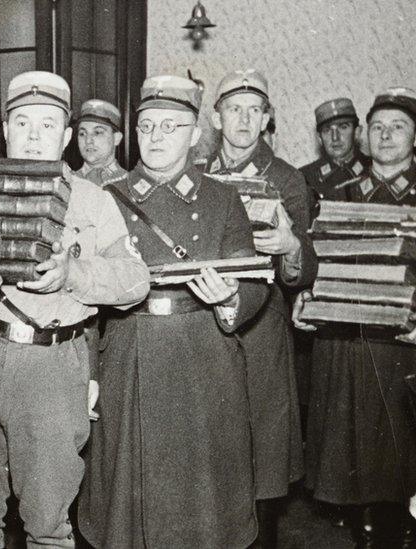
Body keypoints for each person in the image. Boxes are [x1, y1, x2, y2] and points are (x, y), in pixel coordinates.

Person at [79, 74, 268, 549]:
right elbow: (83, 297)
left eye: (171, 126)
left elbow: (253, 279)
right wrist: (87, 372)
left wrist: (229, 298)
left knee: (201, 500)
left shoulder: (223, 199)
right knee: (127, 500)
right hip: (127, 351)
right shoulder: (106, 199)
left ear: (195, 134)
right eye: (147, 126)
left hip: (203, 354)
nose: (157, 137)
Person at [0, 70, 149, 548]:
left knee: (47, 523)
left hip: (51, 368)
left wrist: (75, 275)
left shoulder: (92, 200)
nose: (34, 137)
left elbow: (136, 280)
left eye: (48, 125)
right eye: (23, 123)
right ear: (5, 128)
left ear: (67, 136)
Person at [296, 86, 416, 548]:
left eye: (399, 126)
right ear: (365, 135)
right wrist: (306, 297)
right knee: (353, 468)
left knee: (398, 465)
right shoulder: (338, 193)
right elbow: (315, 261)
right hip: (344, 344)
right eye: (378, 127)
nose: (386, 136)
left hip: (400, 348)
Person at [202, 68, 317, 547]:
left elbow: (301, 270)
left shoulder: (287, 178)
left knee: (260, 458)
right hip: (203, 326)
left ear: (267, 118)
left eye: (255, 110)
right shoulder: (194, 172)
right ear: (216, 116)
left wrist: (290, 244)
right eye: (234, 109)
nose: (244, 120)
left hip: (261, 333)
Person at [299, 98, 369, 206]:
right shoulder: (304, 178)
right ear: (319, 138)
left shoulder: (375, 170)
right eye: (327, 130)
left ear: (357, 132)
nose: (335, 137)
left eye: (343, 127)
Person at [75, 98, 126, 185]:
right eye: (82, 133)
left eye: (98, 132)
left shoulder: (129, 183)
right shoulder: (67, 182)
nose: (88, 140)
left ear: (117, 138)